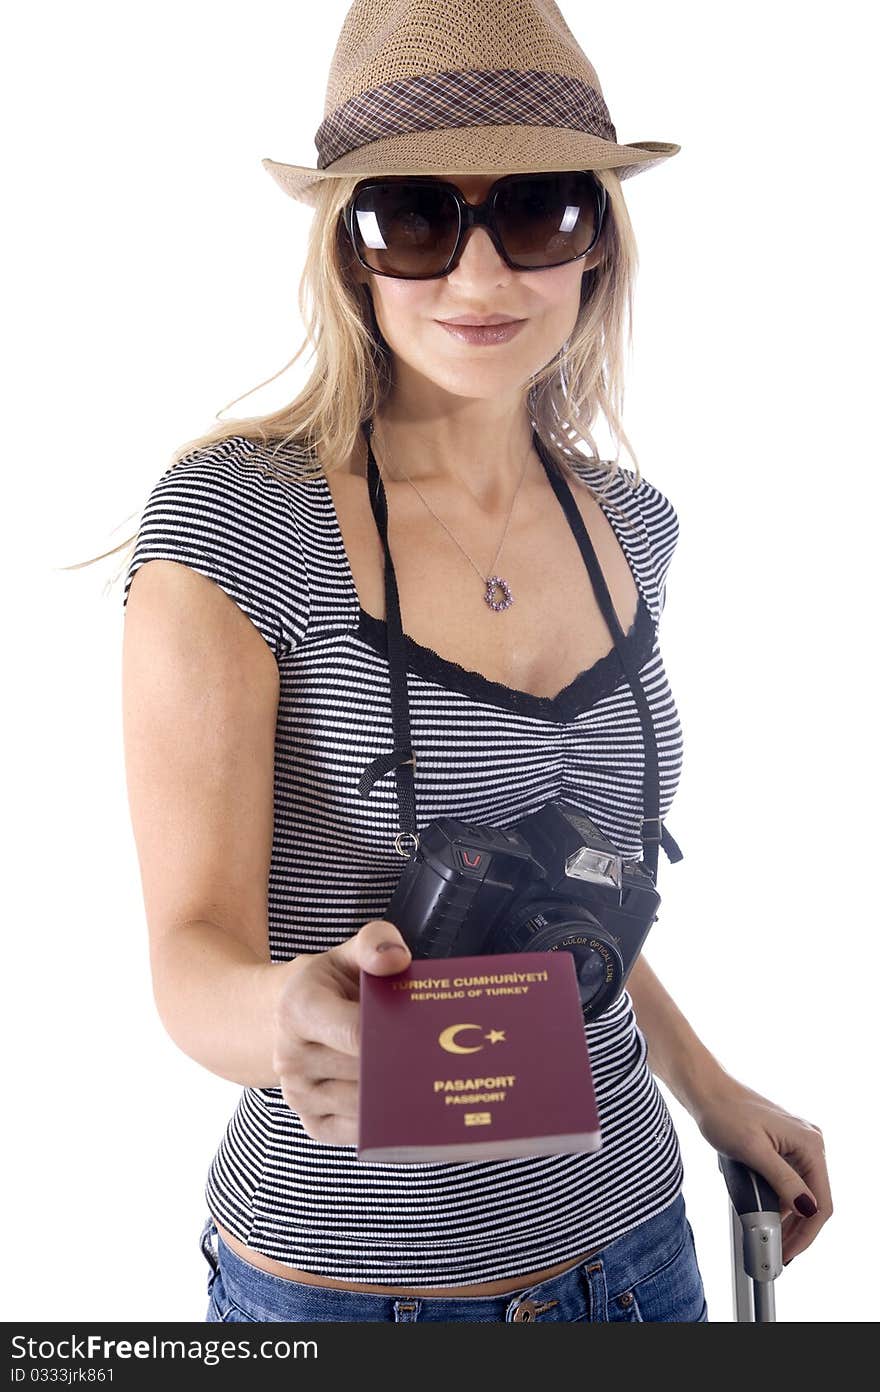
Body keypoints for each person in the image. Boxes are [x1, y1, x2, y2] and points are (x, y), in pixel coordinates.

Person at [120, 0, 832, 1324]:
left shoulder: (633, 524)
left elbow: (581, 882)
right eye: (415, 220)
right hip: (353, 1288)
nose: (482, 280)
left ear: (602, 241)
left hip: (636, 1253)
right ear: (347, 250)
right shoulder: (237, 524)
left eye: (541, 211)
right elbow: (187, 953)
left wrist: (713, 1087)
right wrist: (288, 1017)